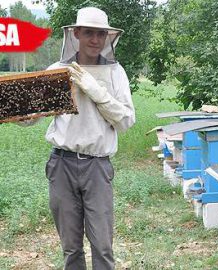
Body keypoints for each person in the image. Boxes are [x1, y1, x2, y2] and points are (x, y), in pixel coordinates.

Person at [44, 7, 135, 269]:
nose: (95, 40)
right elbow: (33, 115)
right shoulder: (58, 70)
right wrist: (19, 111)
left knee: (103, 245)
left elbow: (126, 121)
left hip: (97, 166)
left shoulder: (116, 73)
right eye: (89, 33)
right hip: (61, 164)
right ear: (76, 34)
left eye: (100, 34)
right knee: (71, 247)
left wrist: (98, 93)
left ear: (107, 37)